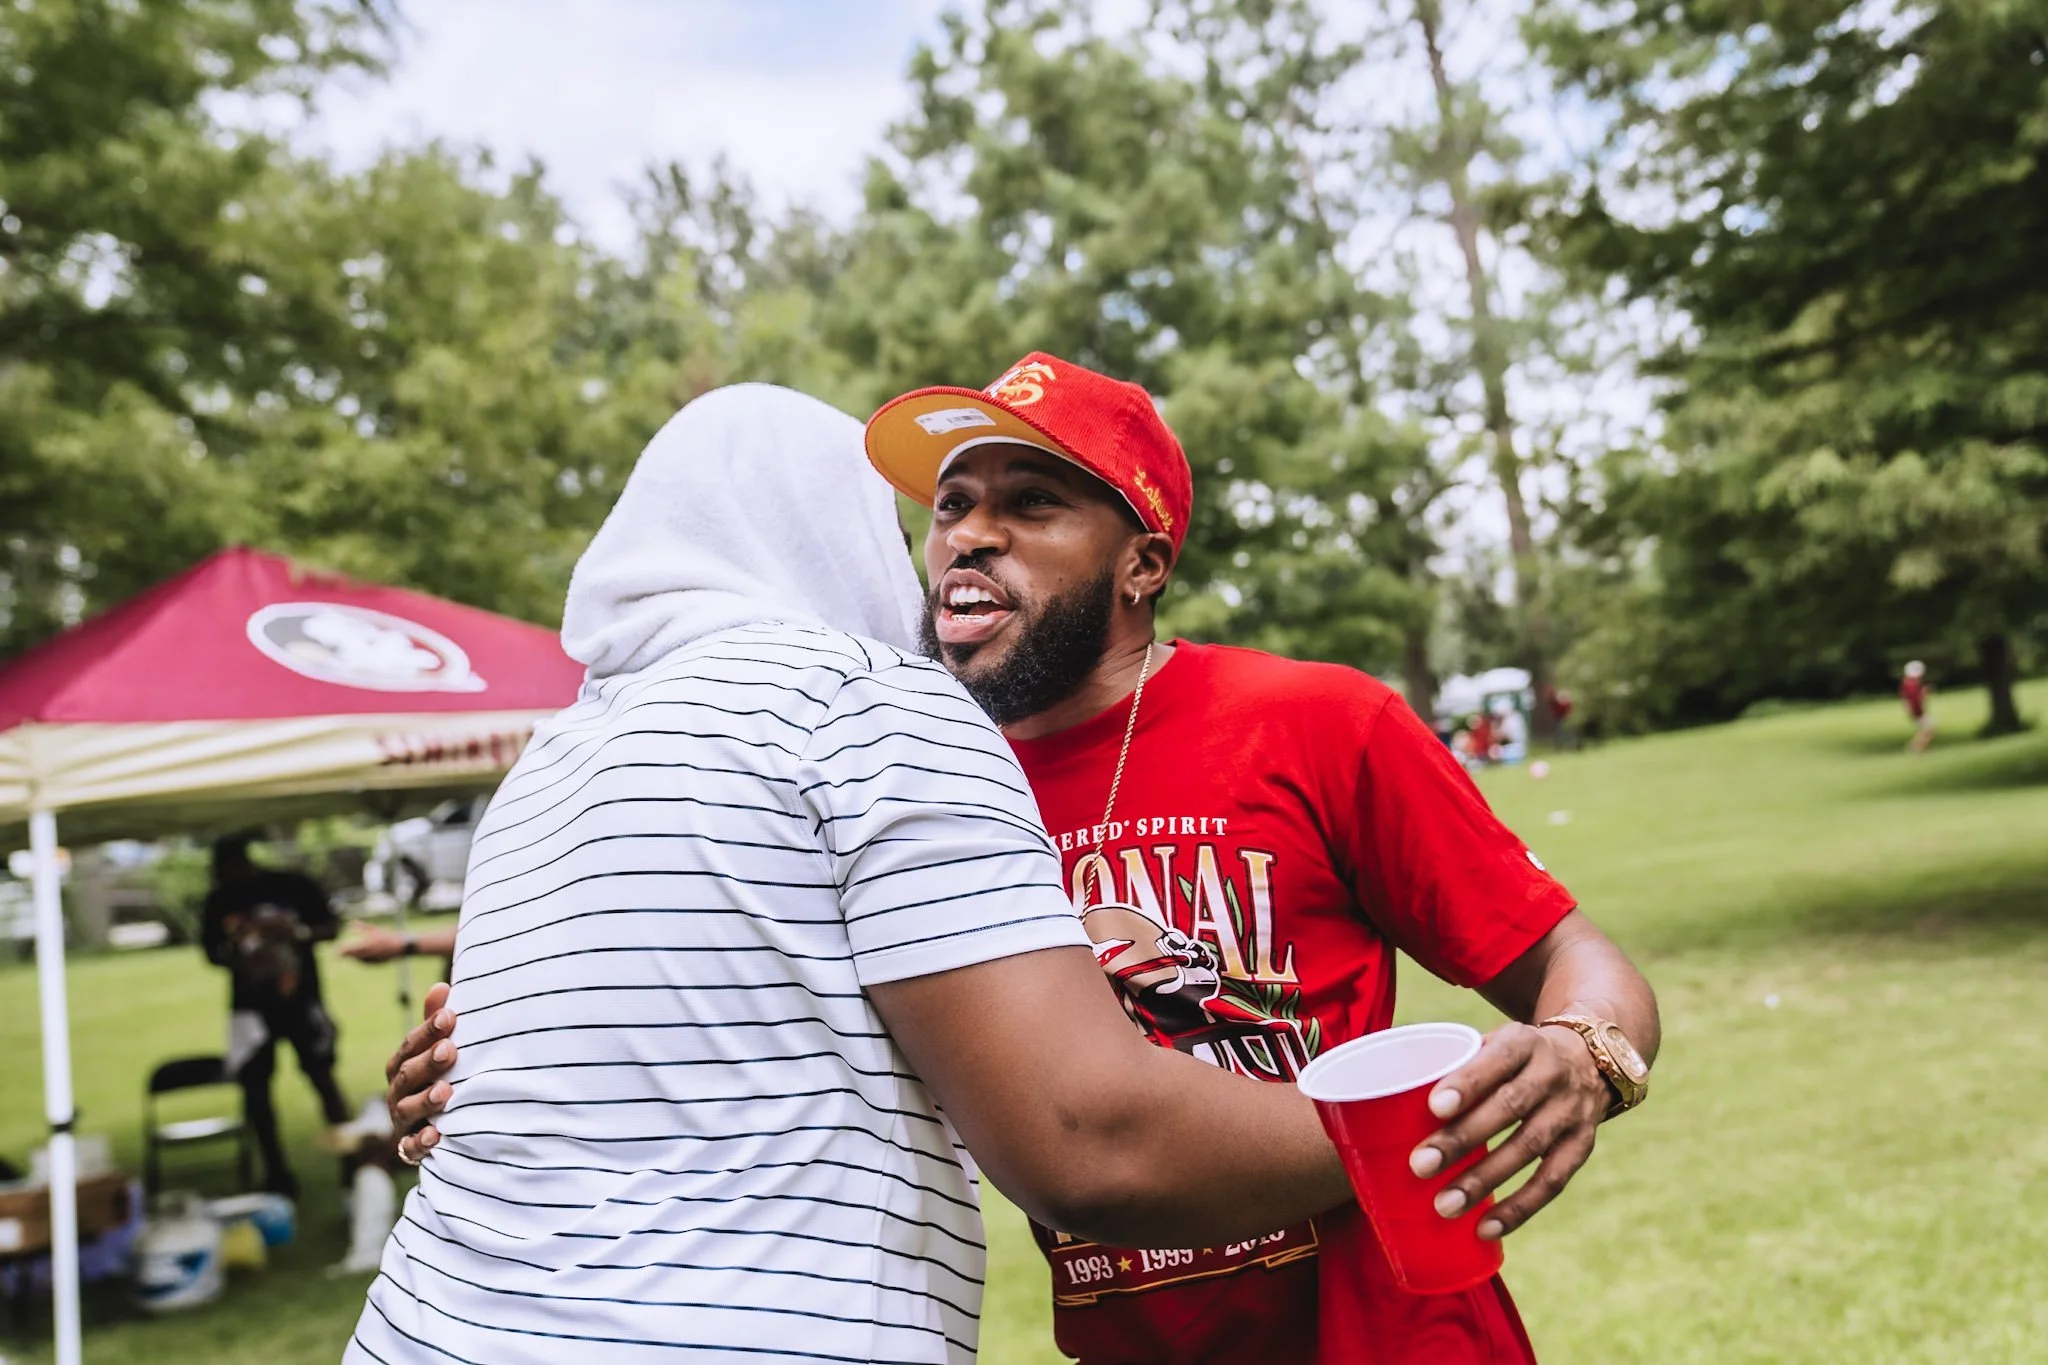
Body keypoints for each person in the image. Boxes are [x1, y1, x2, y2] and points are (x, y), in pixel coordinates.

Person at [392, 355, 1662, 1364]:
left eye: (1030, 502)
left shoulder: (1317, 721)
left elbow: (1568, 952)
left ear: (1143, 562)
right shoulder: (891, 775)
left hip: (1393, 1339)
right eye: (949, 506)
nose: (967, 536)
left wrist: (1585, 1052)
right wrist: (487, 1069)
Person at [200, 833, 351, 1196]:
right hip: (251, 1009)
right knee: (256, 1090)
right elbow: (212, 952)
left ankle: (353, 1162)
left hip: (300, 1000)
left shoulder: (291, 886)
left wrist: (294, 933)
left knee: (322, 1078)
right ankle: (276, 1173)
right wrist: (241, 951)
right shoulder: (219, 900)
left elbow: (331, 927)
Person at [1901, 660, 1935, 752]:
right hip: (1917, 711)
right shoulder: (1911, 684)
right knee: (1928, 730)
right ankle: (1915, 748)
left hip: (1917, 710)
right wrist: (1925, 692)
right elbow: (1916, 698)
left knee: (1927, 730)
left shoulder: (1908, 683)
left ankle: (1918, 748)